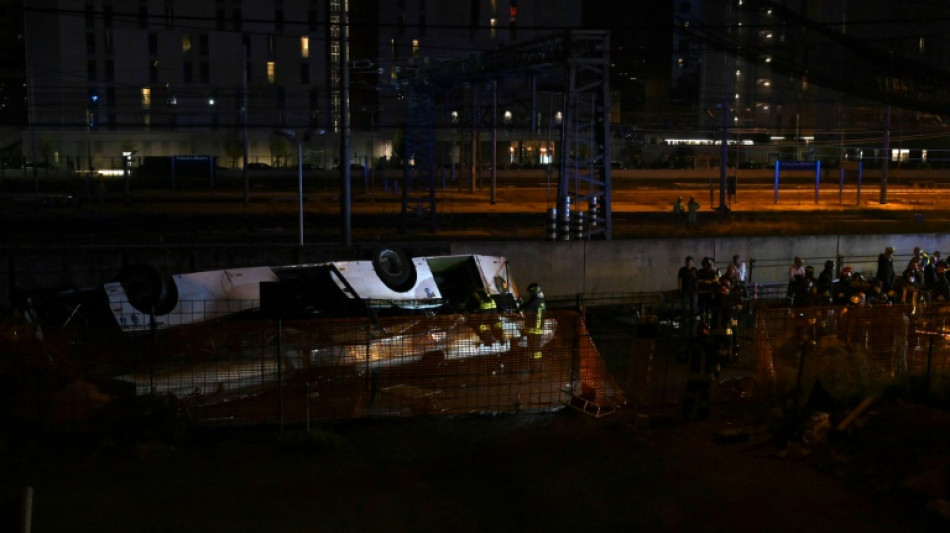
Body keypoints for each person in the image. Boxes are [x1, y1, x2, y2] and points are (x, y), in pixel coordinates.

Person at [523, 282, 547, 369]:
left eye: (530, 293)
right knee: (537, 350)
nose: (529, 295)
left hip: (533, 330)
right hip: (539, 329)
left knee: (533, 350)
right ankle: (537, 366)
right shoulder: (541, 301)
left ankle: (534, 366)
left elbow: (528, 312)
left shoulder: (534, 301)